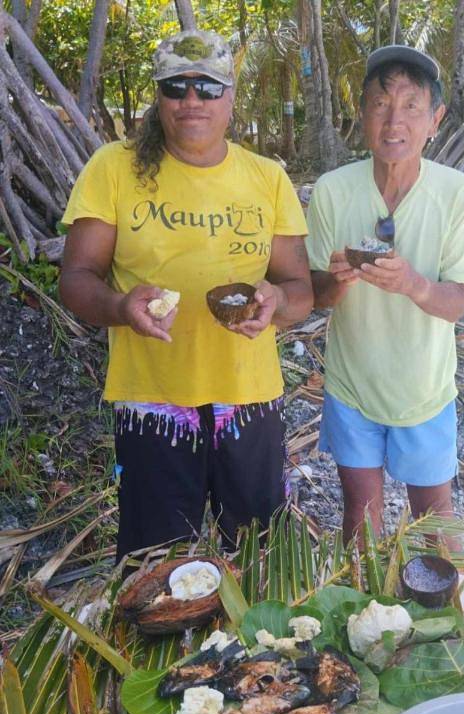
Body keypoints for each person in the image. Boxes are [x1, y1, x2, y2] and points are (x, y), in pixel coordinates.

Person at [59, 29, 312, 560]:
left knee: (259, 560)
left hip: (248, 400)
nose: (191, 100)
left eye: (207, 86)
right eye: (176, 87)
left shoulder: (266, 178)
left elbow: (300, 290)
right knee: (155, 566)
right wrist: (120, 308)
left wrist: (276, 305)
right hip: (153, 403)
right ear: (158, 95)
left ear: (231, 96)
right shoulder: (114, 168)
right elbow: (77, 277)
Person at [306, 45, 464, 543]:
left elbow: (457, 302)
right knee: (359, 516)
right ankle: (364, 611)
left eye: (411, 106)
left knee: (435, 522)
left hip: (423, 391)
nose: (393, 121)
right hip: (351, 387)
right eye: (380, 104)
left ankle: (445, 619)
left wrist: (413, 284)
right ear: (361, 114)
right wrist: (339, 280)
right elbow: (317, 293)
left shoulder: (458, 193)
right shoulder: (332, 190)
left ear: (436, 119)